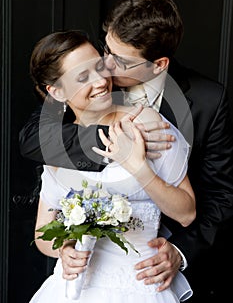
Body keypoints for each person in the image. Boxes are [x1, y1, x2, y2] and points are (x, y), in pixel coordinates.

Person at [19, 0, 233, 300]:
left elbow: (220, 196)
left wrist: (181, 251)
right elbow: (32, 138)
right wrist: (118, 142)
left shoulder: (206, 102)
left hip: (148, 272)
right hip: (79, 280)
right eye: (104, 50)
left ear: (158, 64)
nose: (104, 68)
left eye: (118, 60)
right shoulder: (80, 79)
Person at [28, 30, 195, 302]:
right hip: (73, 289)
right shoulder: (56, 144)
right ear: (57, 92)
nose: (101, 82)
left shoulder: (147, 123)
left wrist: (139, 167)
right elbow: (42, 233)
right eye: (83, 78)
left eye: (99, 67)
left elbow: (186, 212)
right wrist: (65, 249)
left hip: (140, 284)